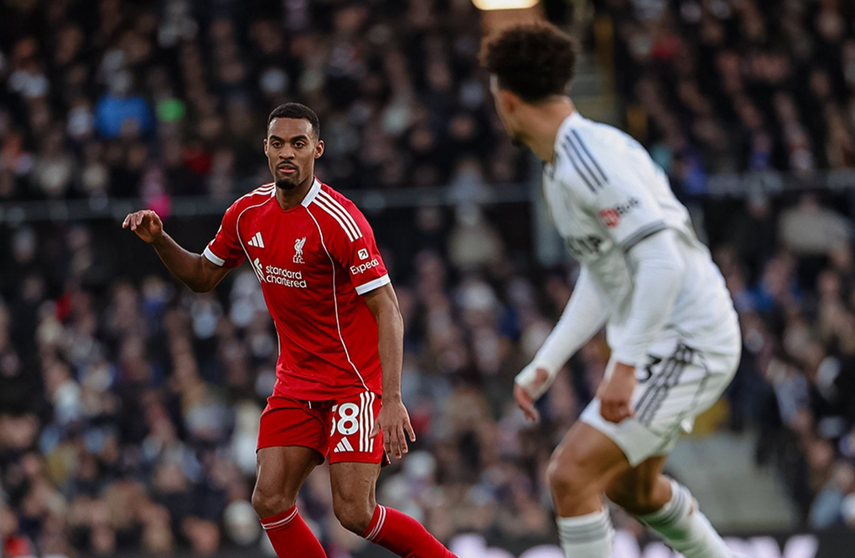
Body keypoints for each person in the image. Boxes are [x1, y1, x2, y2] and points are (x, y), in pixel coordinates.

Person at [123, 103, 455, 558]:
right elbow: (202, 276)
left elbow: (389, 310)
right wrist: (160, 239)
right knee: (269, 499)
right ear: (265, 148)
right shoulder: (246, 213)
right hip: (296, 381)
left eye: (298, 144)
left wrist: (392, 399)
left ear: (317, 149)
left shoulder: (340, 220)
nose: (287, 153)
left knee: (354, 512)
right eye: (278, 143)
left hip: (353, 382)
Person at [480, 23, 744, 558]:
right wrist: (548, 362)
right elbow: (604, 275)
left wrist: (624, 364)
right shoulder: (565, 165)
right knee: (632, 489)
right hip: (666, 336)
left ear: (507, 100)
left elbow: (663, 261)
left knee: (570, 474)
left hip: (688, 339)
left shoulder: (588, 160)